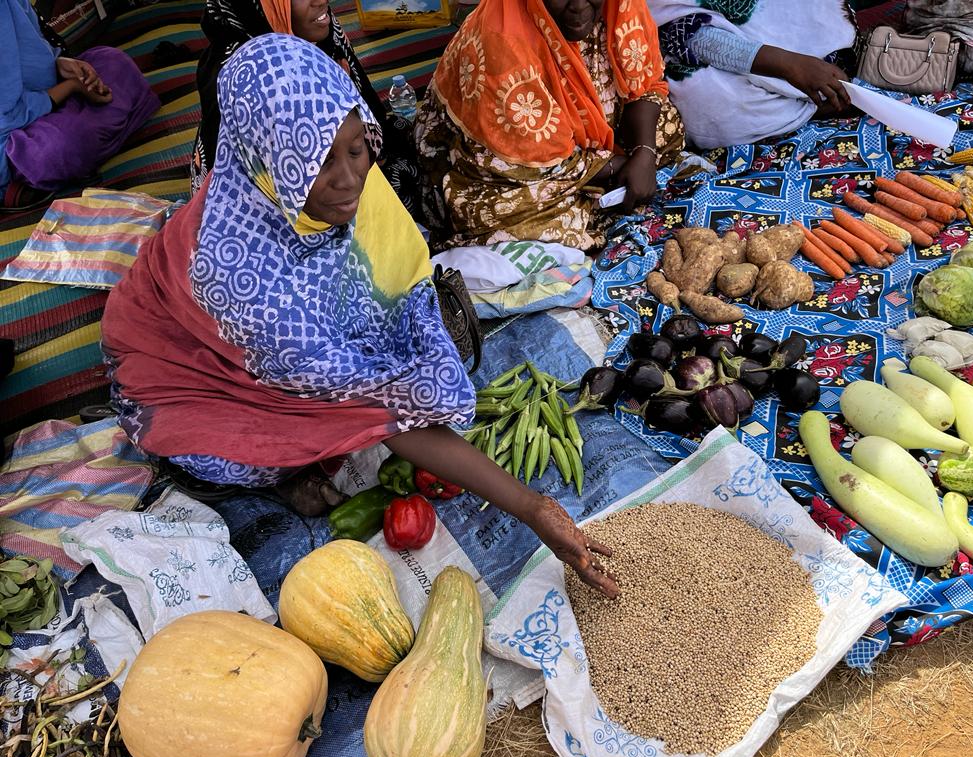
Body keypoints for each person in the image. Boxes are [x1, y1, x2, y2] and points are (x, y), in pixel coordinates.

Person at [102, 34, 617, 599]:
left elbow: (399, 276)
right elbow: (388, 408)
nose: (349, 179)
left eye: (356, 148)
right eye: (321, 162)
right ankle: (281, 463)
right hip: (191, 376)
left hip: (267, 326)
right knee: (235, 459)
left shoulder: (308, 181)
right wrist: (530, 505)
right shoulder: (260, 298)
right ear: (271, 159)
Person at [414, 0, 686, 252]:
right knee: (505, 213)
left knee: (665, 127)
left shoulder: (620, 4)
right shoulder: (501, 37)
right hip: (500, 161)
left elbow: (645, 82)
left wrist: (644, 152)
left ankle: (606, 182)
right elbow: (520, 155)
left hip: (587, 137)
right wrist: (621, 164)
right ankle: (607, 181)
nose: (579, 6)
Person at [191, 0, 420, 215]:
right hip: (269, 207)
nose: (321, 1)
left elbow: (368, 111)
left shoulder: (320, 31)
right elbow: (244, 194)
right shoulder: (242, 80)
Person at [0, 0, 158, 208]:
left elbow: (37, 51)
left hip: (50, 100)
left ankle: (81, 154)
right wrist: (73, 88)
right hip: (14, 137)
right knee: (57, 149)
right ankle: (23, 183)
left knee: (113, 60)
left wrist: (63, 65)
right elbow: (8, 118)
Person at [650, 0, 857, 148]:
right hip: (665, 69)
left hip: (805, 39)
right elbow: (684, 34)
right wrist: (791, 65)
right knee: (711, 99)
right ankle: (815, 98)